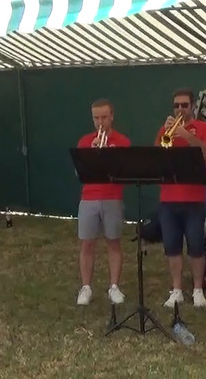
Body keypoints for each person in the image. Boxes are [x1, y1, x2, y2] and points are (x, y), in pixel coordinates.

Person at [155, 88, 206, 308]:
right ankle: (177, 289)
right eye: (176, 105)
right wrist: (168, 132)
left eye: (184, 105)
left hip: (194, 197)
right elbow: (158, 157)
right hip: (169, 197)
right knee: (172, 246)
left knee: (196, 246)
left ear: (193, 107)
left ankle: (198, 289)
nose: (180, 109)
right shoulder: (165, 130)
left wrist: (188, 135)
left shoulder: (205, 128)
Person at [75, 99, 131, 306]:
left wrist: (107, 151)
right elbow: (79, 172)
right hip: (88, 197)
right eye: (96, 118)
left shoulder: (122, 142)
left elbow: (124, 171)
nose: (100, 122)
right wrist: (91, 154)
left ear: (112, 117)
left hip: (112, 198)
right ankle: (86, 287)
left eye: (104, 117)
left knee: (113, 242)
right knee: (87, 244)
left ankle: (114, 286)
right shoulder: (85, 141)